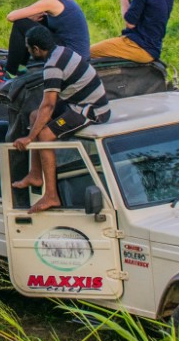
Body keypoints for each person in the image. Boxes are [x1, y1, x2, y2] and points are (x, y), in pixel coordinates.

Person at [12, 26, 110, 213]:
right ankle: (35, 174)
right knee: (34, 116)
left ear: (36, 49)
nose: (29, 52)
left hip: (91, 110)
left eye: (29, 48)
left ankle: (51, 195)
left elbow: (48, 106)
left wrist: (29, 138)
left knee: (46, 135)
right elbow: (44, 108)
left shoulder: (52, 66)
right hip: (76, 101)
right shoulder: (62, 51)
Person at [4, 0, 90, 74]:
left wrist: (28, 18)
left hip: (71, 57)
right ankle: (21, 65)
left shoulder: (50, 2)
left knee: (20, 23)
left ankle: (11, 71)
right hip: (77, 54)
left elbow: (11, 16)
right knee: (41, 19)